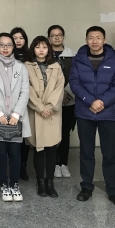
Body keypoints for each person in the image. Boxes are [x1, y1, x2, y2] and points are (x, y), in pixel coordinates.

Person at [70, 26, 115, 208]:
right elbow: (74, 83)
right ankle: (86, 187)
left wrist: (101, 102)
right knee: (86, 152)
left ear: (104, 40)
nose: (94, 41)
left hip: (108, 113)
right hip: (85, 113)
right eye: (91, 38)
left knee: (109, 154)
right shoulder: (78, 60)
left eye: (98, 37)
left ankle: (113, 190)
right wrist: (90, 101)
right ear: (86, 40)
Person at [0, 33, 31, 202]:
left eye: (9, 45)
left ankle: (15, 185)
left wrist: (16, 114)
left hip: (16, 118)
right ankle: (4, 185)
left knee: (15, 152)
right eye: (2, 45)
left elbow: (25, 91)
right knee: (1, 151)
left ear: (13, 47)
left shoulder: (21, 67)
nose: (5, 48)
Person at [25, 36, 64, 198]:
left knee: (51, 148)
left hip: (52, 113)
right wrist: (40, 107)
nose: (41, 50)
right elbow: (26, 89)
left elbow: (59, 88)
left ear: (49, 49)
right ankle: (40, 182)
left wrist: (49, 107)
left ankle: (50, 182)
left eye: (44, 47)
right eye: (37, 47)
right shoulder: (26, 66)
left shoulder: (56, 66)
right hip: (36, 112)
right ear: (33, 49)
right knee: (39, 148)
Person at [47, 25, 76, 179]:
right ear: (49, 38)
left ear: (63, 36)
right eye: (53, 35)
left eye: (59, 35)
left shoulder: (73, 55)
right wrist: (57, 95)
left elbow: (75, 77)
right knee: (51, 132)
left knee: (65, 132)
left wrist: (67, 93)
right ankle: (53, 164)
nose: (56, 37)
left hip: (68, 100)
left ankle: (63, 163)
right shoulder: (45, 54)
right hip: (50, 102)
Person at [10, 26, 31, 182]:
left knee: (24, 137)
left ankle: (23, 166)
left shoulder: (31, 56)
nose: (18, 41)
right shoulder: (6, 56)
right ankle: (13, 166)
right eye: (15, 38)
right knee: (11, 135)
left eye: (21, 38)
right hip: (10, 103)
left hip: (28, 101)